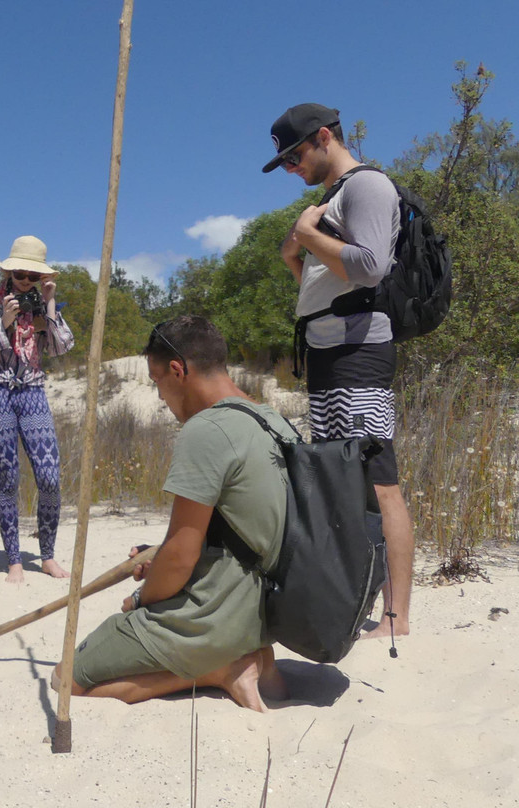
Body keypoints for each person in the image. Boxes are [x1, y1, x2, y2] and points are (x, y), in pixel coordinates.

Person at [54, 317, 290, 710]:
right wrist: (158, 554)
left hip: (218, 617)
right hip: (265, 613)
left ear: (178, 371)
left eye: (156, 380)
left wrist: (141, 597)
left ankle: (220, 670)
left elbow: (181, 557)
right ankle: (249, 658)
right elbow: (242, 527)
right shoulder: (273, 420)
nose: (160, 396)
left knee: (66, 678)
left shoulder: (206, 429)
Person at [264, 103, 413, 638]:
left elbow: (371, 265)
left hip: (359, 353)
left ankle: (397, 618)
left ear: (324, 137)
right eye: (283, 161)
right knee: (338, 483)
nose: (290, 168)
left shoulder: (367, 186)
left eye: (294, 155)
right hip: (328, 356)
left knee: (378, 484)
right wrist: (295, 256)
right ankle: (354, 599)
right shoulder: (330, 198)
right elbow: (332, 277)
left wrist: (307, 235)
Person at [0, 236, 74, 582]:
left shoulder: (42, 302)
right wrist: (3, 323)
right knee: (8, 477)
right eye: (20, 274)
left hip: (33, 389)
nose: (26, 281)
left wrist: (50, 307)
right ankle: (14, 560)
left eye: (32, 276)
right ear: (9, 273)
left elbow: (62, 347)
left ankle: (48, 555)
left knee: (50, 476)